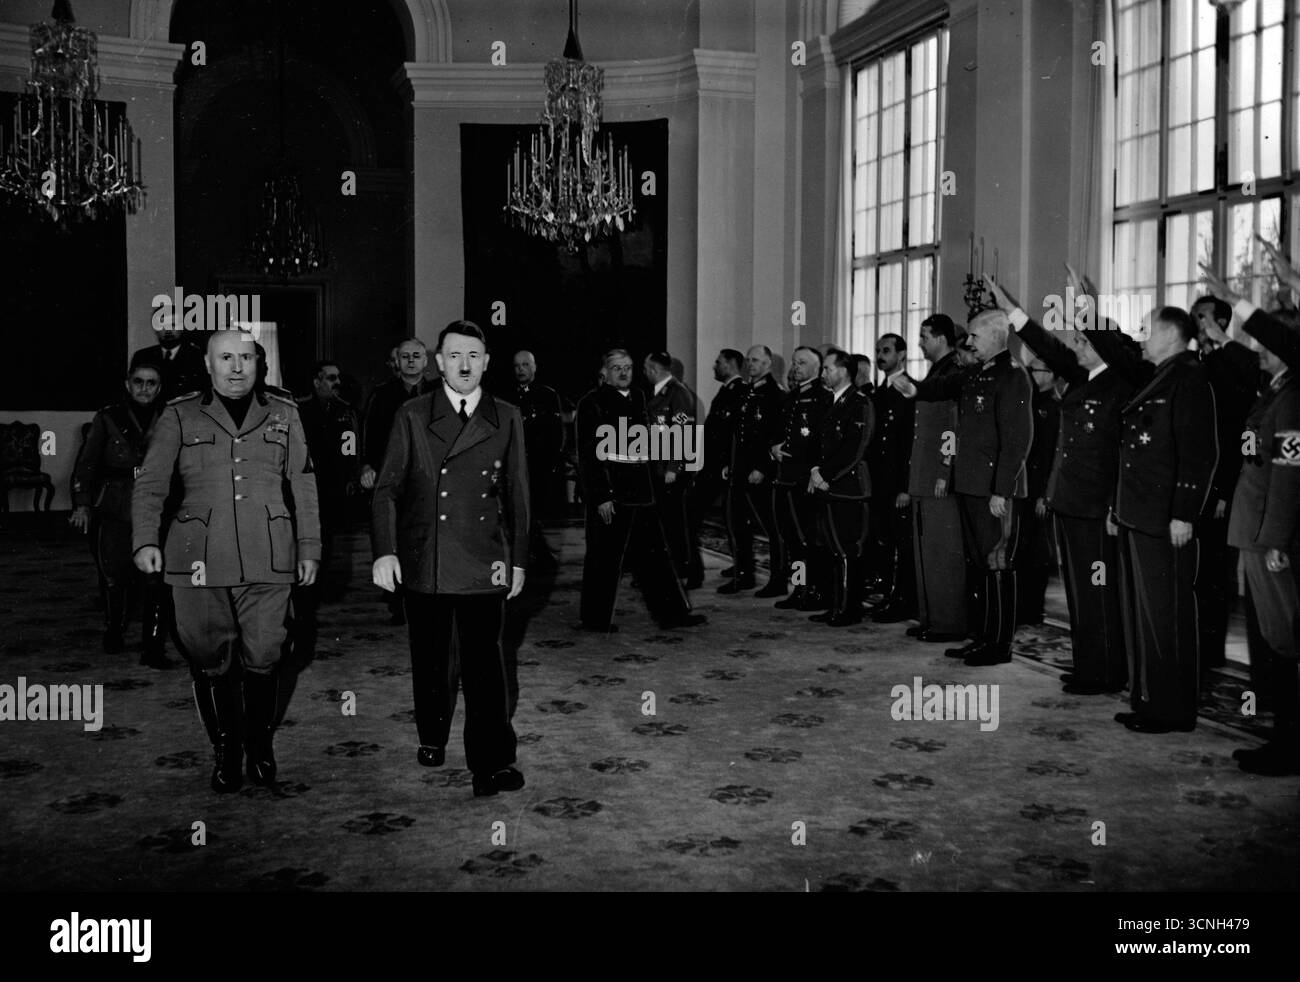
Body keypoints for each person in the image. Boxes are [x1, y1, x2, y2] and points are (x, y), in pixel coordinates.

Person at [132, 329, 320, 793]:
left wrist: (310, 547)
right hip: (198, 557)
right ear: (209, 366)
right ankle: (224, 750)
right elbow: (151, 484)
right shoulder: (178, 414)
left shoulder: (284, 412)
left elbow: (304, 485)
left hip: (269, 553)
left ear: (258, 364)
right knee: (208, 657)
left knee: (266, 654)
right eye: (226, 358)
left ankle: (260, 747)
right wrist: (143, 541)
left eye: (246, 358)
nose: (237, 367)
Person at [371, 320, 528, 798]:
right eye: (454, 355)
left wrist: (517, 561)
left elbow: (518, 495)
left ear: (486, 362)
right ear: (439, 363)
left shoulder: (507, 415)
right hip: (427, 558)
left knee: (486, 663)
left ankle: (492, 763)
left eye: (474, 355)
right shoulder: (413, 414)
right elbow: (386, 490)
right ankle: (432, 734)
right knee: (432, 657)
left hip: (485, 559)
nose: (464, 365)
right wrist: (386, 551)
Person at [989, 276, 1139, 694]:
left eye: (1082, 340)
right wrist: (1014, 313)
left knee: (1099, 589)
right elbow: (1050, 349)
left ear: (1098, 346)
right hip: (1071, 503)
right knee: (1079, 592)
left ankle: (1108, 672)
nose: (1074, 346)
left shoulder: (1122, 380)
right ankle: (1090, 663)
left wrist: (1088, 309)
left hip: (1098, 507)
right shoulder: (1083, 379)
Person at [894, 303, 1033, 666]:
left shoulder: (1012, 375)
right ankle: (982, 636)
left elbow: (1017, 439)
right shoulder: (977, 372)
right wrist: (915, 390)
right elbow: (942, 387)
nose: (968, 341)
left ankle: (999, 645)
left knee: (997, 563)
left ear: (993, 336)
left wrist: (1002, 489)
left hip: (994, 491)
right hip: (971, 484)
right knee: (979, 564)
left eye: (973, 335)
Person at [1111, 307, 1218, 734]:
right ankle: (1150, 700)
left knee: (1167, 616)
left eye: (1149, 330)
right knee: (1147, 615)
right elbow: (1117, 355)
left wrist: (1183, 515)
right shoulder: (1160, 373)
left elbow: (1198, 454)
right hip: (1141, 512)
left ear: (1172, 335)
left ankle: (1172, 711)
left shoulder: (1189, 376)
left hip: (1164, 518)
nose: (1142, 337)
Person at [576, 349, 706, 632]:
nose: (624, 373)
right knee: (603, 559)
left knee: (656, 558)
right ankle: (595, 621)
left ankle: (672, 615)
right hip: (611, 494)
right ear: (605, 373)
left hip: (642, 493)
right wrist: (601, 496)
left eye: (628, 368)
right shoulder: (592, 403)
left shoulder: (639, 398)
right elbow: (588, 456)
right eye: (617, 368)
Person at [1226, 321, 1299, 775]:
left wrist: (1275, 538)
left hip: (1268, 535)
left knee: (1284, 641)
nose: (1258, 352)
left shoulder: (1292, 398)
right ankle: (1281, 737)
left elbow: (1290, 474)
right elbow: (1253, 455)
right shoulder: (1271, 391)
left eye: (1266, 345)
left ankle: (1289, 746)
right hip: (1252, 528)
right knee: (1271, 642)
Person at [71, 358, 174, 668]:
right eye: (139, 382)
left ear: (159, 387)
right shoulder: (108, 418)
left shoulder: (170, 417)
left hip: (157, 506)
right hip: (116, 506)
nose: (145, 388)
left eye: (151, 383)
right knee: (116, 575)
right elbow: (87, 463)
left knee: (157, 579)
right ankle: (114, 630)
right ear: (128, 385)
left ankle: (153, 648)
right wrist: (82, 504)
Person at [1190, 296, 1260, 670]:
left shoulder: (1236, 362)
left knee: (1215, 574)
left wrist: (1219, 492)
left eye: (1201, 318)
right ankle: (1196, 645)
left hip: (1221, 489)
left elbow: (1232, 435)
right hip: (1195, 487)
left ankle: (1210, 652)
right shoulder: (1198, 363)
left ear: (1219, 321)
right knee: (1196, 572)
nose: (1195, 325)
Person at [361, 338, 436, 624]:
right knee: (392, 536)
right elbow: (369, 434)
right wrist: (366, 466)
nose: (412, 361)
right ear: (397, 361)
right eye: (406, 356)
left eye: (417, 356)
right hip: (391, 477)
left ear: (426, 361)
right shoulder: (382, 395)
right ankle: (396, 601)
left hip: (425, 479)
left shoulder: (438, 393)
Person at [291, 361, 361, 661]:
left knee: (326, 544)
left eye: (338, 378)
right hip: (304, 488)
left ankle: (312, 597)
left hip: (331, 491)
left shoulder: (346, 411)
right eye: (330, 378)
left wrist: (351, 477)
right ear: (316, 381)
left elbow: (352, 448)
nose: (336, 383)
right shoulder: (300, 410)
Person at [906, 315, 968, 644]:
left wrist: (946, 470)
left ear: (942, 339)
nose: (920, 343)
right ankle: (930, 617)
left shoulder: (953, 374)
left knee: (942, 554)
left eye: (924, 337)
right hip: (923, 475)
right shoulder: (937, 371)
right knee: (925, 553)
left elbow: (952, 428)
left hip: (937, 478)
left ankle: (948, 623)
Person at [808, 347, 874, 626]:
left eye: (827, 369)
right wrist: (815, 471)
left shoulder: (858, 402)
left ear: (844, 371)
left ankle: (849, 608)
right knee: (831, 546)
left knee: (847, 547)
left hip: (848, 487)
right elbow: (821, 443)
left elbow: (855, 448)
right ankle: (836, 603)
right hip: (827, 484)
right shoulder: (831, 401)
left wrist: (825, 474)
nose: (823, 373)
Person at [771, 346, 832, 610]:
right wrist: (773, 447)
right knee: (792, 539)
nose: (796, 367)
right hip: (786, 477)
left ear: (817, 368)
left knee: (809, 539)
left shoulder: (822, 397)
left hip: (804, 479)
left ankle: (815, 590)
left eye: (802, 363)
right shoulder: (791, 397)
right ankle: (799, 588)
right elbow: (779, 431)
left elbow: (821, 441)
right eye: (794, 363)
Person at [722, 345, 784, 596]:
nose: (751, 365)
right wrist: (729, 462)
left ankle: (778, 580)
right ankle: (744, 574)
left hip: (760, 473)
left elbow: (777, 435)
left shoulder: (775, 394)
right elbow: (736, 432)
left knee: (772, 528)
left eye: (756, 360)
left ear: (768, 364)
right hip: (740, 468)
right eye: (748, 360)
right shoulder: (746, 392)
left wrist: (764, 468)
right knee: (739, 524)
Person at [866, 334, 916, 622]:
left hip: (897, 482)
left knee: (899, 543)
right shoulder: (879, 392)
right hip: (878, 480)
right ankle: (886, 593)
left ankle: (900, 599)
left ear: (902, 354)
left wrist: (906, 486)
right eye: (877, 350)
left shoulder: (909, 389)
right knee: (881, 539)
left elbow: (911, 441)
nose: (880, 355)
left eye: (886, 350)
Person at [687, 349, 746, 588]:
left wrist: (725, 464)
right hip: (712, 466)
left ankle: (695, 571)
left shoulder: (739, 392)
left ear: (731, 364)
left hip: (720, 468)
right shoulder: (726, 391)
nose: (714, 366)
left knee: (730, 520)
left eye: (718, 362)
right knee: (726, 519)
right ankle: (737, 566)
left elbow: (732, 434)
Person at [643, 351, 698, 583]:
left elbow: (682, 433)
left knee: (676, 525)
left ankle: (684, 572)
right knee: (664, 523)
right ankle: (668, 571)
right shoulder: (658, 393)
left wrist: (673, 468)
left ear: (654, 370)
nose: (644, 373)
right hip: (658, 468)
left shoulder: (678, 393)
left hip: (671, 472)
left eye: (646, 369)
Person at [1016, 352, 1060, 626]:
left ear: (1052, 374)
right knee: (1022, 549)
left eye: (1037, 370)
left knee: (1038, 554)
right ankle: (1023, 607)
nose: (1032, 375)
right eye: (1029, 370)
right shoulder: (1030, 404)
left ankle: (1034, 609)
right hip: (1024, 488)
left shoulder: (1054, 407)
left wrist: (1046, 494)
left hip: (1040, 491)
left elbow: (1053, 455)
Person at [512, 349, 566, 570]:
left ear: (534, 367)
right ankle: (539, 556)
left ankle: (541, 557)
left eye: (525, 365)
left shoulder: (547, 395)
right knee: (523, 513)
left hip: (538, 465)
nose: (521, 369)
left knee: (529, 512)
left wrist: (553, 462)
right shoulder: (510, 396)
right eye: (517, 366)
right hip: (516, 465)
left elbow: (556, 433)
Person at [132, 326, 208, 402]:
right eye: (162, 326)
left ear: (182, 328)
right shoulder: (142, 356)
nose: (168, 330)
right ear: (155, 329)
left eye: (173, 325)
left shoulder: (198, 356)